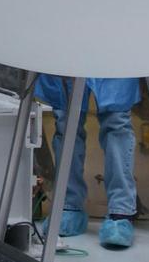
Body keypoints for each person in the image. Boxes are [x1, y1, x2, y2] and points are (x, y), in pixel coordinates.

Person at [35, 74, 141, 249]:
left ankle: (121, 213)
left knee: (116, 120)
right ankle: (68, 205)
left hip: (115, 50)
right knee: (66, 120)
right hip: (69, 48)